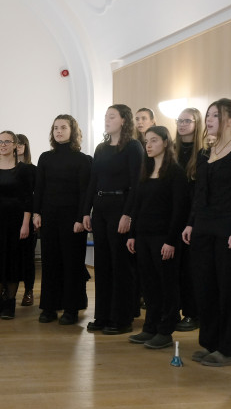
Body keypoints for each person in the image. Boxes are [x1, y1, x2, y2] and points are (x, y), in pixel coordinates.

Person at [181, 100, 231, 367]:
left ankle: (230, 347)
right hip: (203, 228)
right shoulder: (205, 154)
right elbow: (199, 195)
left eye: (216, 115)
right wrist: (191, 223)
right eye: (209, 114)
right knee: (205, 287)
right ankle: (210, 342)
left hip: (228, 231)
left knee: (229, 290)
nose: (209, 119)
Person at [126, 126, 190, 350]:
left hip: (164, 238)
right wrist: (133, 235)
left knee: (167, 285)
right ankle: (150, 327)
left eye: (154, 140)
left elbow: (179, 210)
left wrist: (171, 241)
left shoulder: (175, 172)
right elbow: (138, 206)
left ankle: (165, 330)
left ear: (165, 142)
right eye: (147, 141)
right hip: (143, 236)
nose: (149, 145)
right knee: (149, 284)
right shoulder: (145, 171)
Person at [83, 104, 144, 334]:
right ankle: (102, 315)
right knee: (103, 264)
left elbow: (136, 184)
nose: (107, 120)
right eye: (105, 116)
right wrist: (85, 212)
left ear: (124, 121)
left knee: (120, 265)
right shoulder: (101, 148)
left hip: (120, 207)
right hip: (100, 208)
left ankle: (122, 318)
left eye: (112, 116)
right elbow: (93, 181)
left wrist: (128, 214)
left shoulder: (132, 147)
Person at [33, 116, 90, 325]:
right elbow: (39, 188)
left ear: (72, 131)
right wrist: (36, 213)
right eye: (55, 128)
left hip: (72, 219)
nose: (59, 131)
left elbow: (85, 192)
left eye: (63, 127)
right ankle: (49, 307)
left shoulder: (83, 159)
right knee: (50, 262)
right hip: (49, 216)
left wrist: (79, 219)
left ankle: (71, 309)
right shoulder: (45, 158)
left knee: (72, 264)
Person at [0, 130, 35, 319]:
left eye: (7, 141)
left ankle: (10, 303)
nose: (3, 144)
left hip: (15, 222)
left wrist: (26, 224)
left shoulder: (24, 169)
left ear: (15, 145)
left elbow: (28, 199)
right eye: (0, 141)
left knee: (12, 261)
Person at [174, 108, 202, 332]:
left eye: (187, 121)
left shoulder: (203, 153)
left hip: (193, 216)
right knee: (175, 267)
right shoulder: (173, 150)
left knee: (191, 269)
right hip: (174, 215)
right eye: (179, 120)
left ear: (197, 123)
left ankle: (193, 312)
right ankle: (176, 308)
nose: (182, 124)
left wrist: (192, 220)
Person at [15, 133, 39, 307]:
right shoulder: (2, 168)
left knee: (27, 257)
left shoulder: (33, 169)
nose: (18, 147)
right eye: (15, 143)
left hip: (27, 216)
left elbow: (35, 196)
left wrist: (35, 216)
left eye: (21, 144)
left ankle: (28, 291)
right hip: (8, 216)